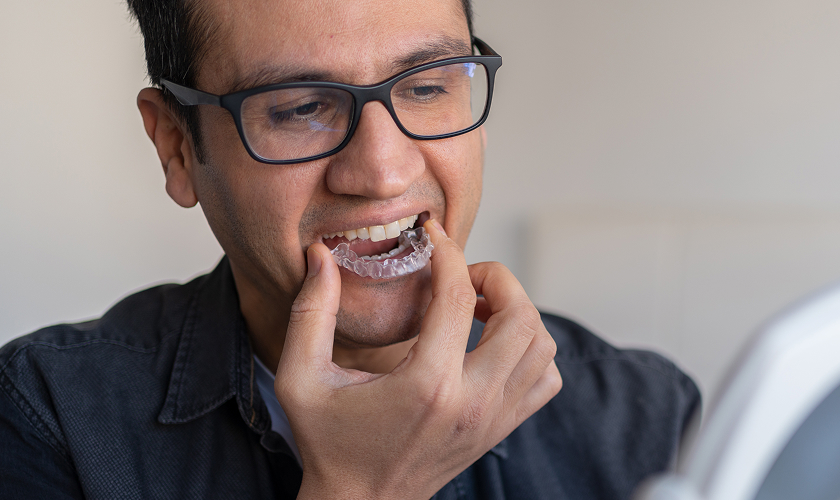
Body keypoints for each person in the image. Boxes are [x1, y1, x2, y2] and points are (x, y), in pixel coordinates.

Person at [0, 0, 700, 498]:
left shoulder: (650, 420)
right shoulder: (45, 419)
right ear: (177, 147)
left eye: (427, 87)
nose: (384, 172)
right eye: (300, 107)